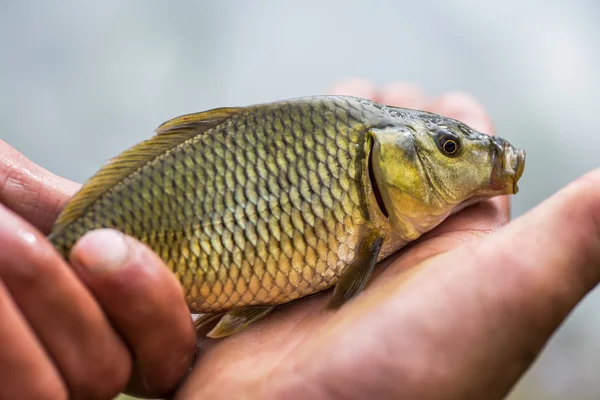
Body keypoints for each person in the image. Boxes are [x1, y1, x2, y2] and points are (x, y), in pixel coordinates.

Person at [0, 81, 598, 400]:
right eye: (448, 149)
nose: (465, 159)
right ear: (379, 160)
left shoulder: (373, 190)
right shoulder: (366, 218)